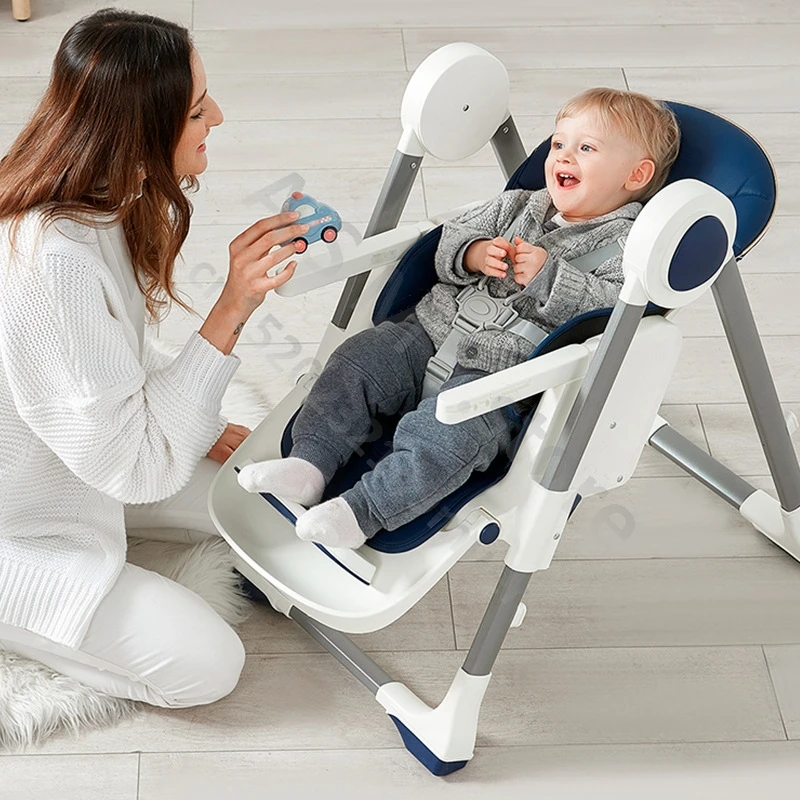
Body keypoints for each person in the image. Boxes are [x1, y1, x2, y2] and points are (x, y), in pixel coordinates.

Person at [0, 10, 309, 707]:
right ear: (141, 127)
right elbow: (137, 468)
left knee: (270, 503)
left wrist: (187, 425)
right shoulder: (54, 264)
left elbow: (112, 377)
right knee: (206, 664)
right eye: (198, 109)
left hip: (73, 462)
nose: (218, 117)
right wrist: (232, 309)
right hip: (18, 520)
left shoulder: (106, 194)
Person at [238, 88, 681, 550]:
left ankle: (362, 511)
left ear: (637, 174)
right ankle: (311, 462)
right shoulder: (518, 204)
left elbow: (613, 314)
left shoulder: (632, 248)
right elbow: (451, 237)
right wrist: (471, 254)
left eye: (585, 148)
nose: (563, 156)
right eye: (557, 144)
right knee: (357, 361)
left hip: (500, 374)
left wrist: (549, 277)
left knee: (449, 435)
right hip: (429, 330)